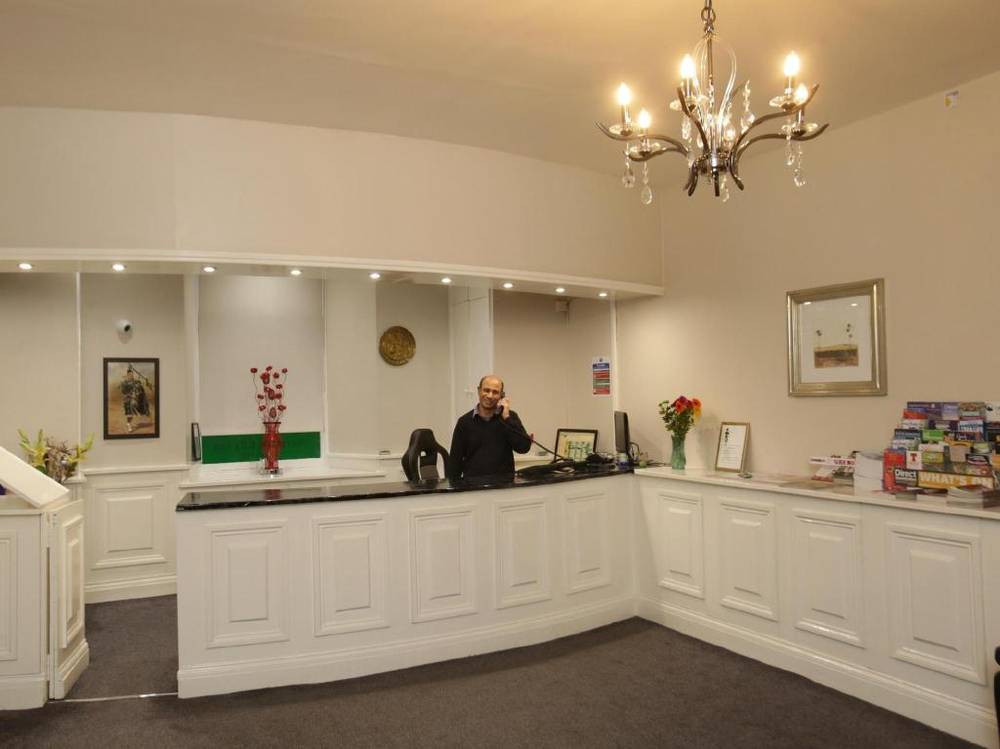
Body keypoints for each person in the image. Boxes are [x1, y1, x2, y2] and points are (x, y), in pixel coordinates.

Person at [448, 374, 531, 479]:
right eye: (486, 390)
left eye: (495, 392)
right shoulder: (464, 422)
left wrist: (507, 418)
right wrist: (453, 486)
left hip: (504, 485)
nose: (490, 396)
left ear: (501, 395)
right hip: (473, 485)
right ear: (479, 391)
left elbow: (524, 447)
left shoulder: (509, 418)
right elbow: (455, 462)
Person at [120, 364, 150, 433]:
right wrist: (130, 395)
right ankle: (129, 424)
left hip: (135, 399)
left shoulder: (135, 382)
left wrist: (146, 380)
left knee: (134, 409)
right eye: (129, 375)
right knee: (130, 412)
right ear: (127, 375)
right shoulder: (124, 383)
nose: (131, 376)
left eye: (132, 375)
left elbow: (141, 386)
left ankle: (129, 423)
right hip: (128, 399)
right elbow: (123, 391)